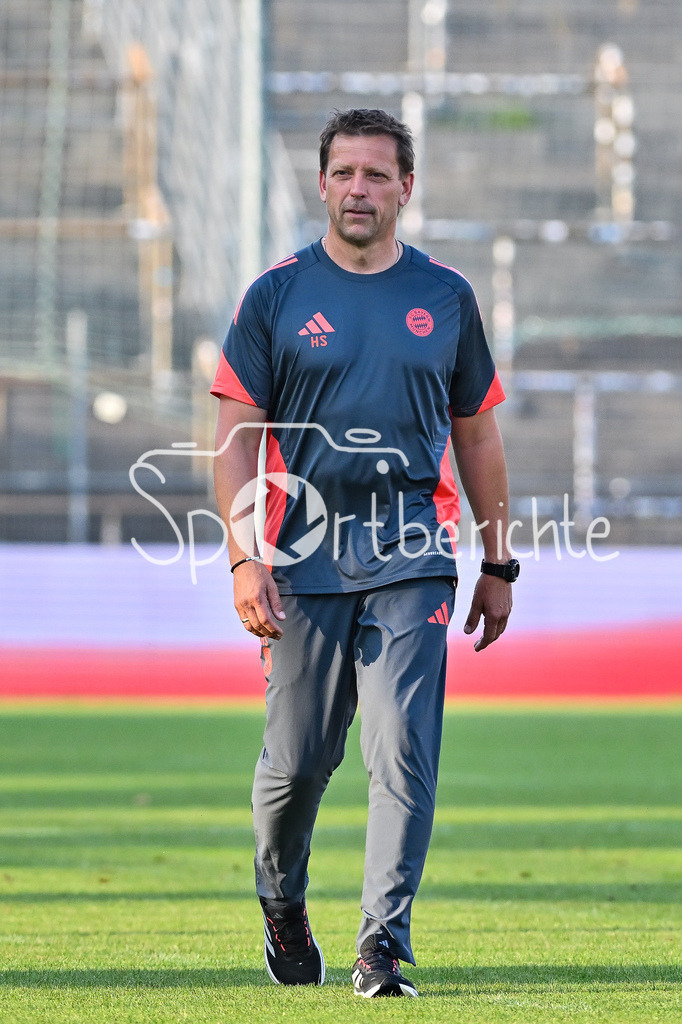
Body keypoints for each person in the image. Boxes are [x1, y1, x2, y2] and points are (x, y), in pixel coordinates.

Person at [211, 107, 519, 998]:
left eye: (377, 175)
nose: (359, 189)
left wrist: (499, 564)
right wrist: (244, 557)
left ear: (406, 189)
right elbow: (234, 439)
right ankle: (281, 904)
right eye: (344, 172)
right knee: (298, 762)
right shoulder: (275, 296)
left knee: (403, 749)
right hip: (302, 555)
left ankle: (380, 945)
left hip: (414, 551)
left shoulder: (448, 298)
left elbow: (480, 440)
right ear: (322, 184)